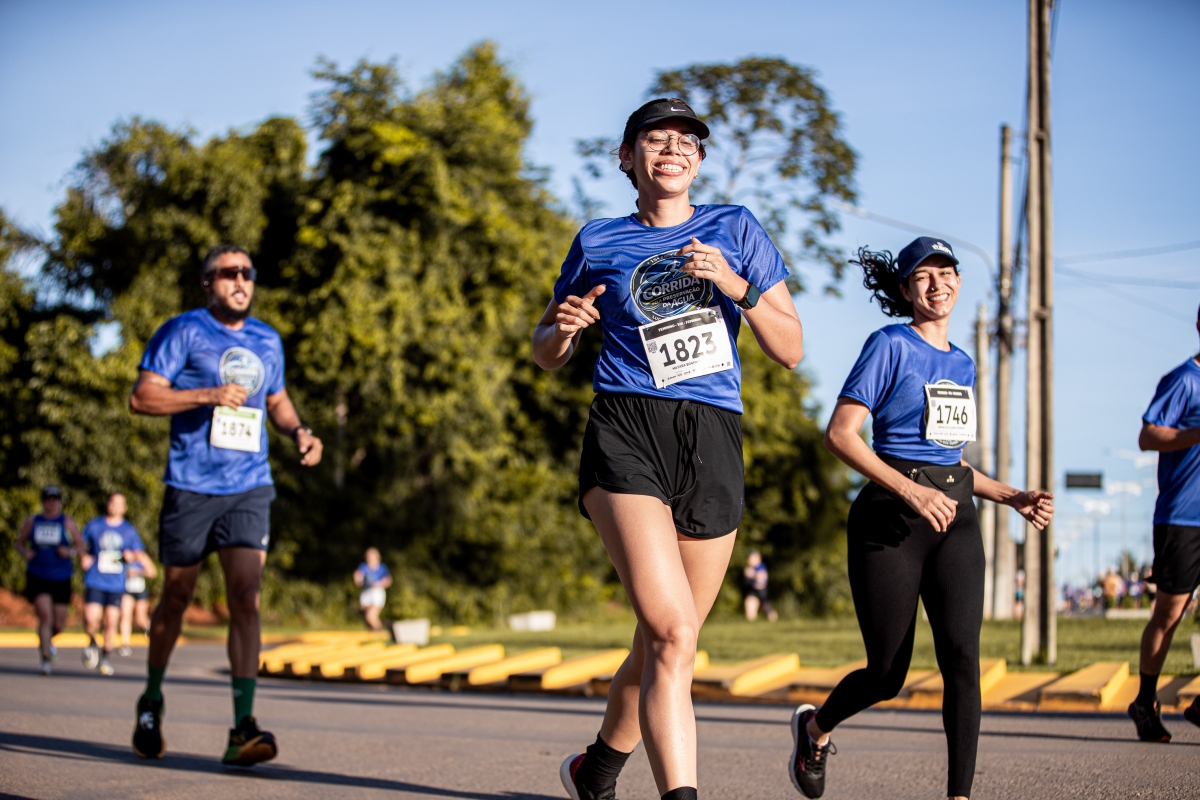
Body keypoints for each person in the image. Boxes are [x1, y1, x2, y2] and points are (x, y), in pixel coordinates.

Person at [533, 98, 803, 800]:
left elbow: (791, 348)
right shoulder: (599, 240)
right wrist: (563, 331)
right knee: (674, 634)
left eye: (686, 141)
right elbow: (545, 349)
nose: (673, 150)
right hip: (627, 428)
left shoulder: (735, 228)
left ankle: (595, 771)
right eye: (656, 139)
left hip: (713, 435)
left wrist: (734, 284)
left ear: (700, 161)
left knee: (663, 643)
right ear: (629, 158)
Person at [789, 239, 1054, 800]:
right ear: (906, 289)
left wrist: (1012, 496)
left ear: (958, 282)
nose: (938, 283)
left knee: (963, 660)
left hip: (956, 519)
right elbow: (840, 435)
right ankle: (814, 729)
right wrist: (910, 491)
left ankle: (959, 796)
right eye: (924, 276)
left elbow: (951, 461)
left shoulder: (963, 362)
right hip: (891, 519)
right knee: (887, 674)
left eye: (947, 272)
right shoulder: (889, 344)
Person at [128, 244, 323, 765]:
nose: (240, 281)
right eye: (228, 273)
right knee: (176, 596)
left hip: (249, 485)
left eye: (247, 272)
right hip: (191, 485)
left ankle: (243, 727)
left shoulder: (267, 339)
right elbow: (142, 397)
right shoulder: (183, 331)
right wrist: (208, 395)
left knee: (246, 597)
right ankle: (151, 698)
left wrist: (299, 431)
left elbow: (276, 398)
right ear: (207, 283)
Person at [1127, 303, 1200, 742]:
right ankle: (1145, 700)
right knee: (1170, 614)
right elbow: (1147, 435)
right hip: (1182, 517)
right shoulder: (1184, 380)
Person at [80, 493, 154, 675]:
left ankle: (105, 658)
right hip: (95, 579)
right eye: (113, 503)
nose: (116, 507)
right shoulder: (94, 525)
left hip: (116, 584)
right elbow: (80, 544)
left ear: (125, 508)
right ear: (108, 504)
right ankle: (92, 643)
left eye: (120, 504)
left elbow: (139, 554)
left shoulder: (129, 530)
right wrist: (83, 556)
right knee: (91, 618)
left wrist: (132, 557)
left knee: (111, 621)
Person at [14, 486, 84, 675]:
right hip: (38, 575)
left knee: (58, 623)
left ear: (60, 502)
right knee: (45, 616)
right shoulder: (33, 521)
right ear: (43, 501)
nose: (52, 503)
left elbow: (81, 545)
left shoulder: (66, 522)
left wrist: (69, 552)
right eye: (48, 499)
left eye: (55, 499)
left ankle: (49, 642)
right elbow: (19, 543)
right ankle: (45, 659)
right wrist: (25, 552)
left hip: (61, 577)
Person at [119, 541, 158, 657]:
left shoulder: (141, 557)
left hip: (140, 589)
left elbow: (152, 573)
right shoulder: (120, 558)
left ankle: (153, 634)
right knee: (125, 615)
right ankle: (125, 645)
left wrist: (137, 572)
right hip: (126, 589)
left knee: (140, 618)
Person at [354, 548, 392, 631]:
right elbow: (358, 575)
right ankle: (374, 631)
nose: (369, 559)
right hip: (366, 592)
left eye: (371, 558)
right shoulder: (363, 566)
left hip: (377, 592)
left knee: (370, 616)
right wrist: (358, 579)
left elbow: (388, 581)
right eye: (368, 557)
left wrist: (379, 584)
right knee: (365, 615)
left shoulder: (382, 568)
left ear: (377, 558)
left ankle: (381, 632)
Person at [742, 549, 777, 622]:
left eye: (750, 558)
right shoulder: (749, 568)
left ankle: (774, 619)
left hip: (762, 592)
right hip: (752, 591)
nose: (749, 560)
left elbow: (762, 578)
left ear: (758, 558)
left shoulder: (761, 566)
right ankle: (752, 624)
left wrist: (753, 574)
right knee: (749, 607)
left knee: (767, 609)